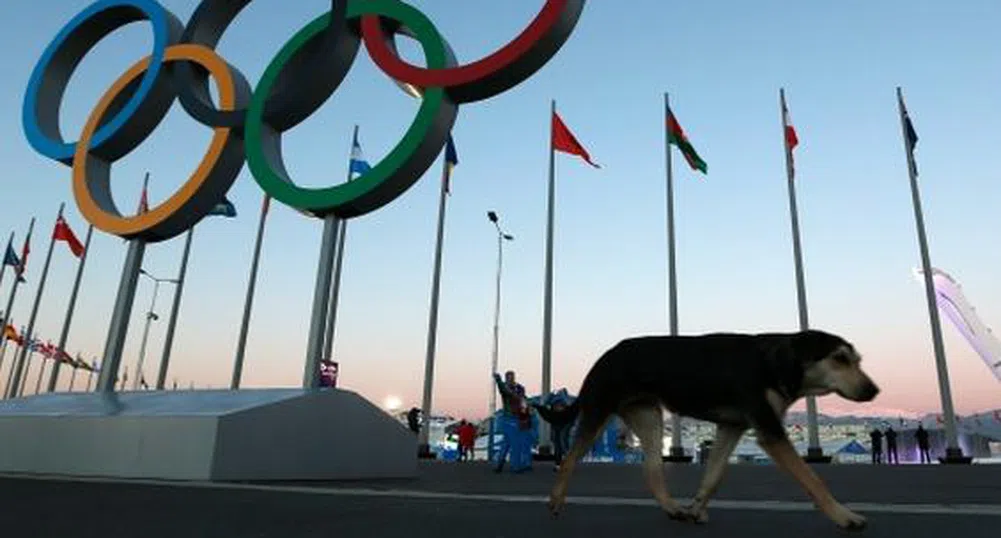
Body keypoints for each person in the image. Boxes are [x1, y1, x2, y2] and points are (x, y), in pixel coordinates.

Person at [492, 370, 532, 473]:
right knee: (515, 443)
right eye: (509, 377)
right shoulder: (510, 388)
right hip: (511, 418)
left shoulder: (516, 388)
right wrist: (498, 380)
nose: (510, 379)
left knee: (506, 442)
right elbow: (505, 390)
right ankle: (516, 466)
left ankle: (499, 464)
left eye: (511, 377)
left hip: (512, 418)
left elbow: (523, 401)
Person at [532, 397, 575, 471]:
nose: (558, 408)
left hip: (566, 425)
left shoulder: (567, 412)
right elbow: (543, 410)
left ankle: (568, 461)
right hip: (556, 426)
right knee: (557, 445)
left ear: (564, 406)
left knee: (562, 442)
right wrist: (535, 405)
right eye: (556, 406)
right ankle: (558, 464)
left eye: (560, 406)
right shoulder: (551, 414)